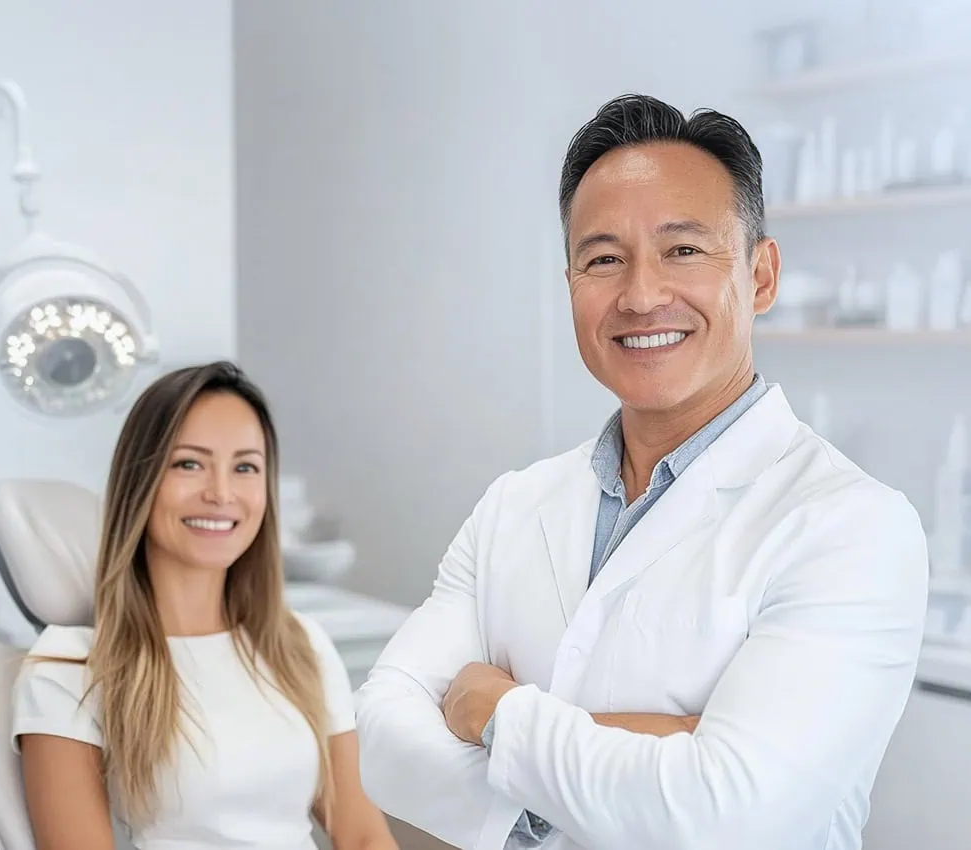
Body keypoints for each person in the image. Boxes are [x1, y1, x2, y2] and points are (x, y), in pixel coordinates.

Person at [354, 94, 929, 850]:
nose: (641, 294)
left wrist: (497, 717)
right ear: (571, 288)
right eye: (603, 259)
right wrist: (657, 752)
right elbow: (385, 740)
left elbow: (729, 810)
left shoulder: (854, 525)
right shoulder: (513, 505)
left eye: (683, 250)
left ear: (760, 275)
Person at [12, 361, 399, 850]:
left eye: (245, 468)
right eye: (188, 463)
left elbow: (363, 835)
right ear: (141, 481)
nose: (221, 493)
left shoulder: (299, 644)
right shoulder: (72, 666)